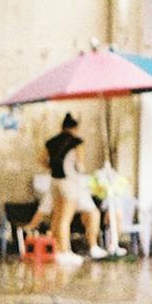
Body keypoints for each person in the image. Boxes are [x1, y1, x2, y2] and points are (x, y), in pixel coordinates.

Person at [46, 113, 106, 264]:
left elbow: (41, 159)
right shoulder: (77, 142)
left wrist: (53, 167)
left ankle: (56, 249)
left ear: (62, 127)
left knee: (57, 217)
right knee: (65, 218)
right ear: (75, 127)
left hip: (54, 181)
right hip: (69, 182)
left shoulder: (51, 142)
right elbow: (80, 164)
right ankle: (64, 251)